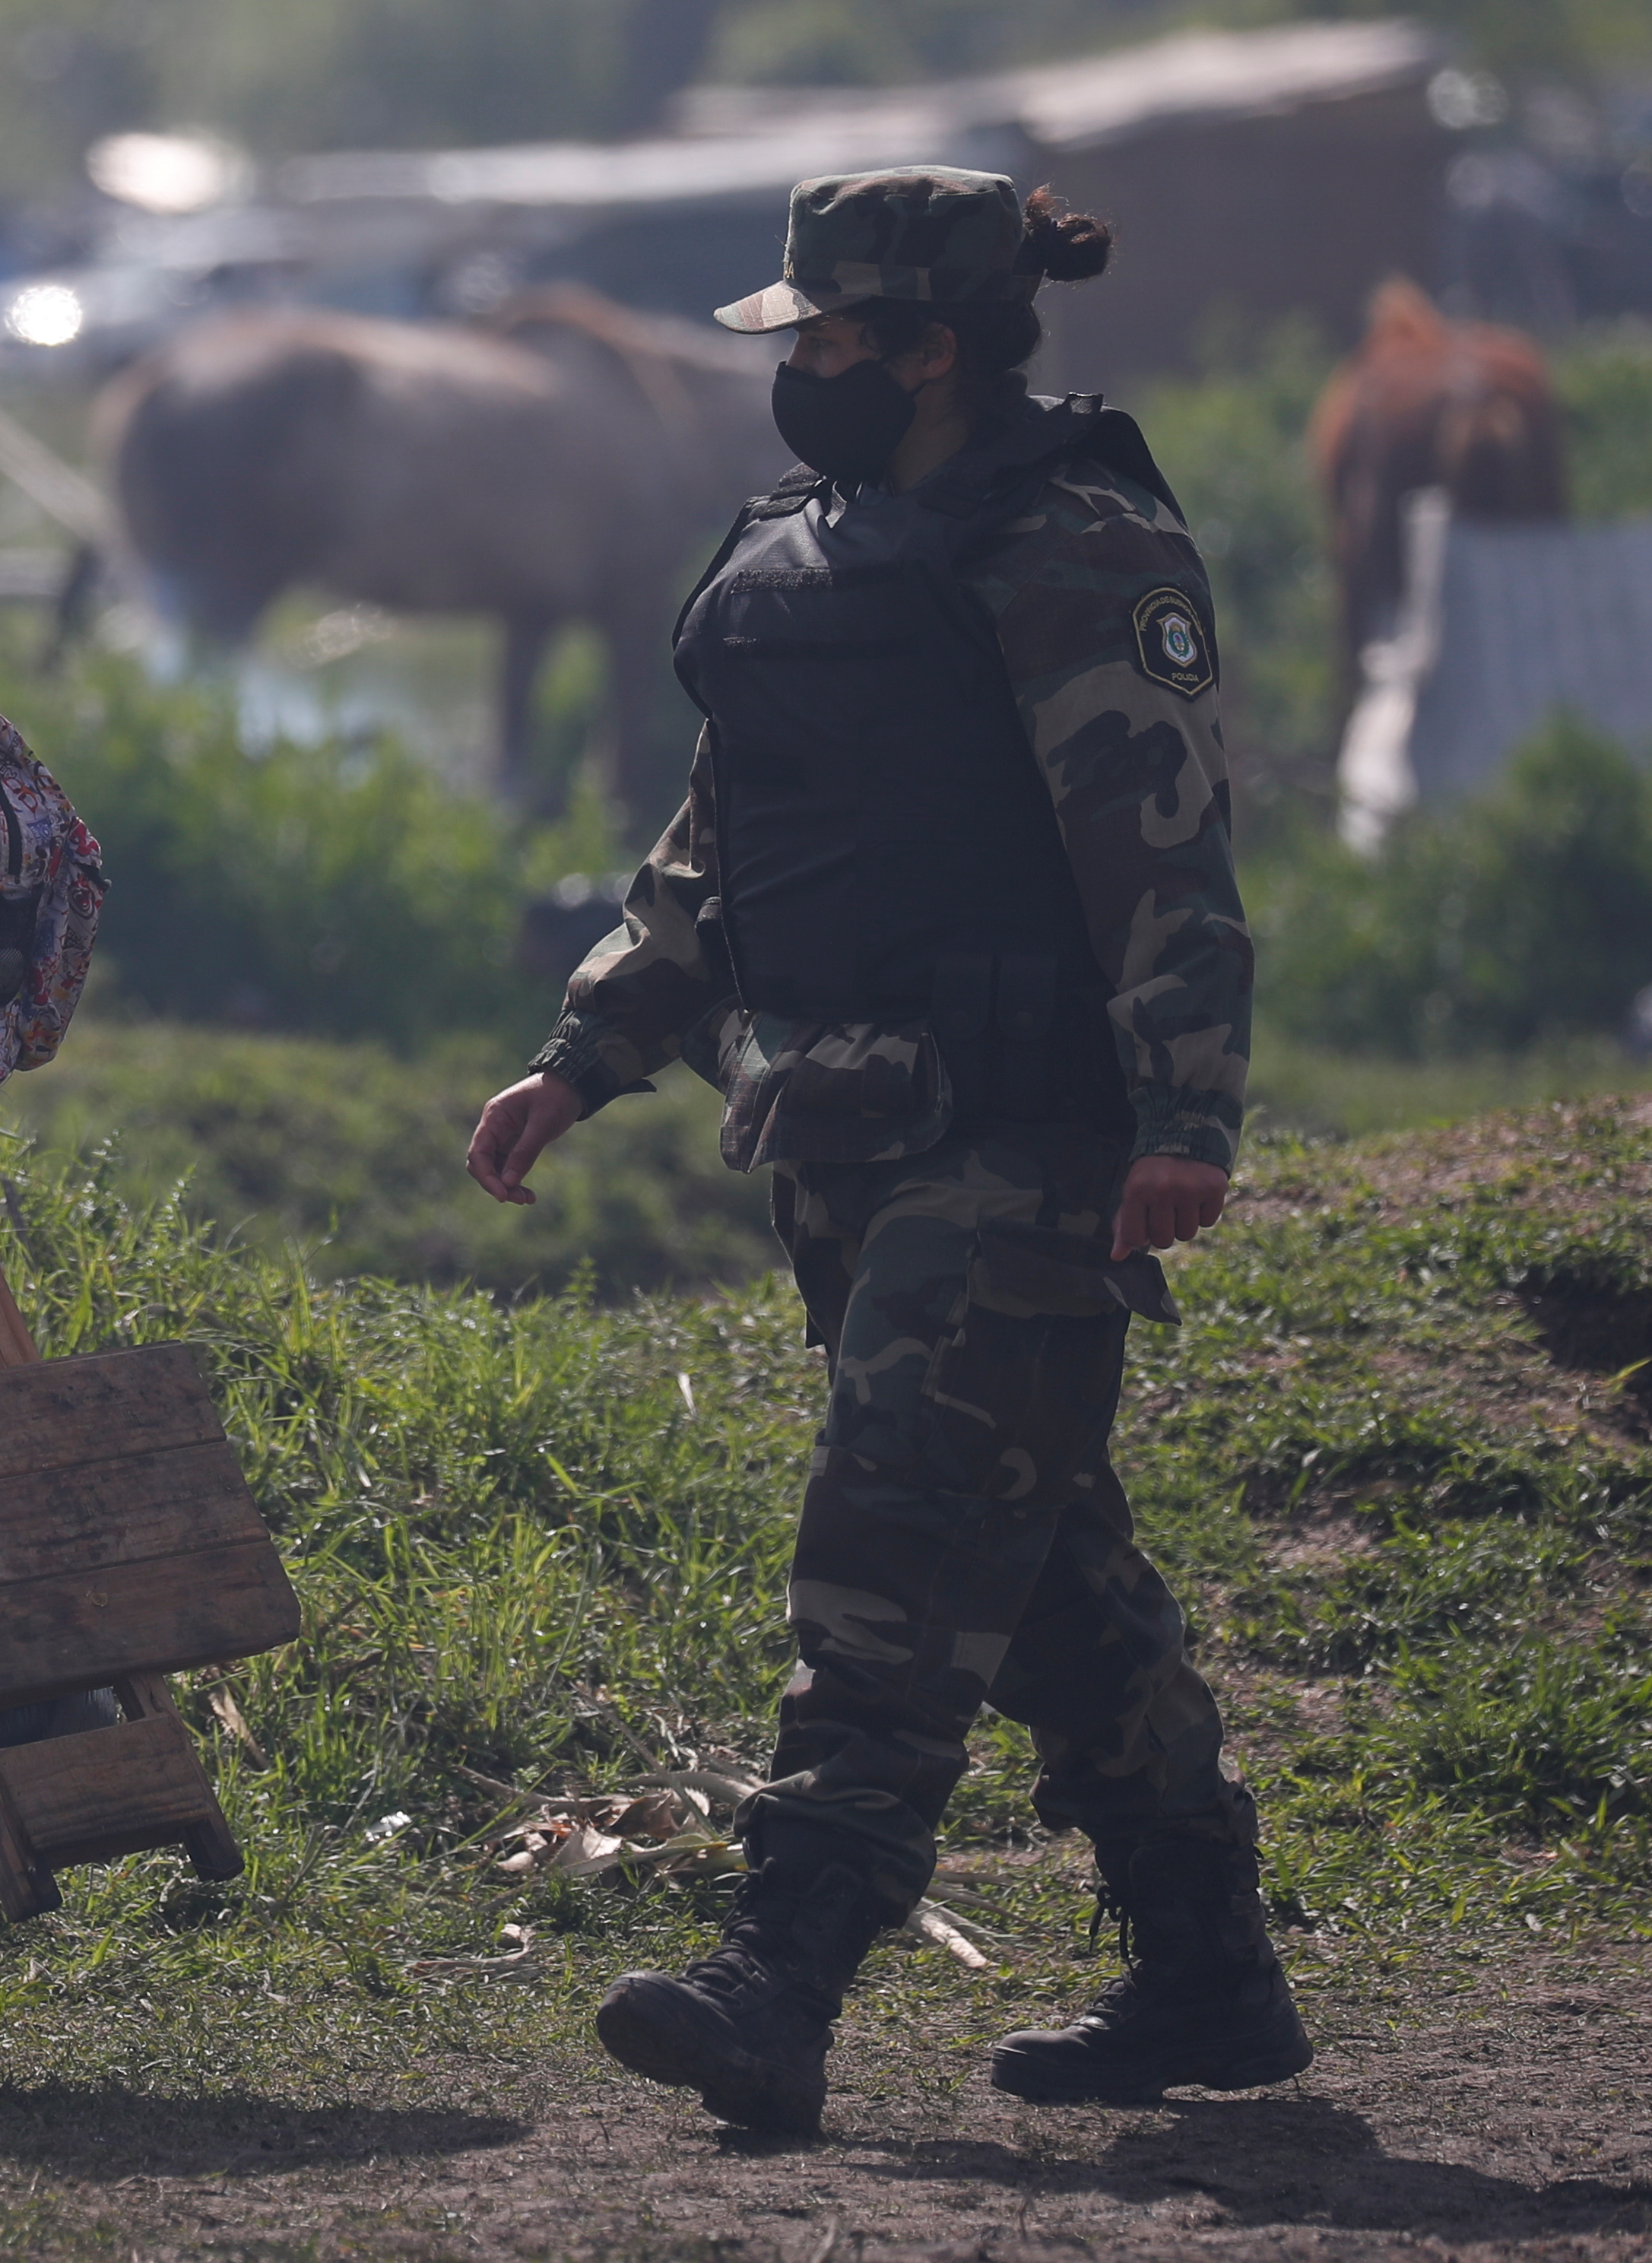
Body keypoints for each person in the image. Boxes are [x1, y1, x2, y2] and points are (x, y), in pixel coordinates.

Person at [465, 170, 1308, 2137]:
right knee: (1038, 1576)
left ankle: (784, 1970)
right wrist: (582, 1054)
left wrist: (1184, 1115)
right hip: (833, 1132)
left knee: (894, 1532)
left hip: (1019, 1141)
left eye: (831, 339)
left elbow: (1164, 846)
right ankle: (1209, 1966)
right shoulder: (797, 558)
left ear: (929, 344)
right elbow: (709, 853)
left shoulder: (1076, 540)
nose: (803, 370)